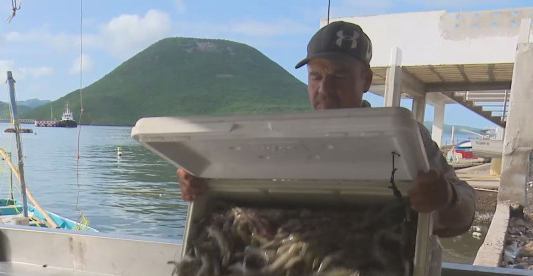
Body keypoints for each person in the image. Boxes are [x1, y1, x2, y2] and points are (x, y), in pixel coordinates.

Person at [177, 21, 476, 238]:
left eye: (339, 77)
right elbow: (242, 197)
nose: (324, 89)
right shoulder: (280, 138)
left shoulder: (406, 136)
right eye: (316, 76)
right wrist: (202, 182)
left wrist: (446, 197)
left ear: (366, 81)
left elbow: (465, 213)